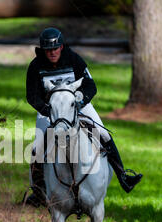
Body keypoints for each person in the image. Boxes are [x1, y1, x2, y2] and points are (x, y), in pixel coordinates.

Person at [24, 27, 142, 207]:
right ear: (43, 50)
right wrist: (50, 110)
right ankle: (38, 191)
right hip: (49, 111)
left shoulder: (74, 59)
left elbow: (90, 85)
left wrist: (80, 101)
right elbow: (32, 96)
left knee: (104, 134)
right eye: (48, 50)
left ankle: (123, 176)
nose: (52, 53)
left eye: (55, 49)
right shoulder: (35, 67)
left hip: (79, 106)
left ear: (61, 47)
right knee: (37, 147)